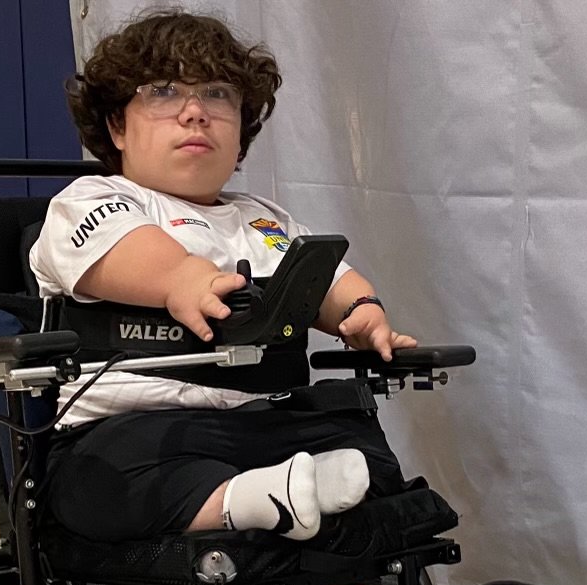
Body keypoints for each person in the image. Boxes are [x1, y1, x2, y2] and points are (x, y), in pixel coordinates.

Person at [29, 9, 419, 545]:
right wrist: (182, 278)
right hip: (143, 428)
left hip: (261, 420)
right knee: (100, 477)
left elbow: (324, 278)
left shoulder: (263, 219)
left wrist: (361, 313)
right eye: (164, 93)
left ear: (241, 133)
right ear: (117, 126)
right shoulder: (94, 200)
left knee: (356, 437)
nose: (195, 113)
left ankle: (287, 492)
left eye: (217, 95)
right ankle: (253, 501)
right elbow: (124, 253)